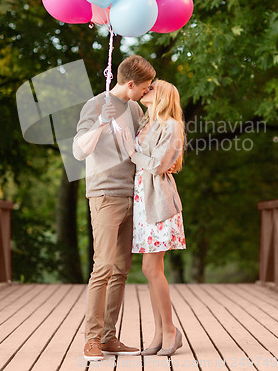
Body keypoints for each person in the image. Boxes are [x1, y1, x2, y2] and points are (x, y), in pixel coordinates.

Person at [72, 55, 156, 361]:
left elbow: (139, 148)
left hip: (130, 194)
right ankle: (91, 339)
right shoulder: (94, 105)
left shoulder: (134, 108)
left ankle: (108, 338)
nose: (148, 91)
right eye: (145, 87)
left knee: (121, 269)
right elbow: (79, 150)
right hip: (104, 194)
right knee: (103, 266)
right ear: (131, 84)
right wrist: (101, 124)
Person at [122, 79, 186, 357]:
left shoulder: (171, 125)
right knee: (150, 270)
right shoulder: (145, 123)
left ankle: (170, 330)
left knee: (152, 268)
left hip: (158, 200)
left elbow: (160, 164)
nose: (146, 89)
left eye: (152, 88)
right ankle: (160, 332)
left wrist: (133, 153)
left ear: (162, 96)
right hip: (142, 200)